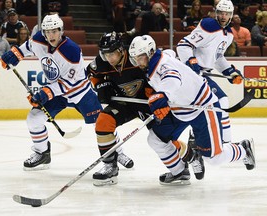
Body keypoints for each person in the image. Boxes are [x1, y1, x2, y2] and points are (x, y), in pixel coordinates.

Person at [128, 34, 256, 184]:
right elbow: (170, 53)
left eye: (140, 57)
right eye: (135, 58)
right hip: (180, 109)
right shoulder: (155, 60)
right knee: (156, 139)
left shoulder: (162, 66)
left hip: (202, 108)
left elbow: (172, 78)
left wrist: (162, 95)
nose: (138, 61)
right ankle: (180, 172)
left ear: (150, 52)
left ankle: (243, 149)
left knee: (214, 158)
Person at [87, 32, 193, 186]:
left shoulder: (136, 58)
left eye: (112, 54)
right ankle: (110, 166)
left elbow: (161, 68)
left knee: (162, 139)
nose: (109, 58)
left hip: (147, 103)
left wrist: (156, 92)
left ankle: (190, 155)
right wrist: (101, 85)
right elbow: (91, 73)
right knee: (103, 122)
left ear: (121, 50)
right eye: (105, 54)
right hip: (124, 102)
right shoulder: (102, 62)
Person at [0, 14, 102, 171]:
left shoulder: (71, 50)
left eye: (54, 31)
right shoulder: (39, 38)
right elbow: (29, 46)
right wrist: (15, 54)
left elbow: (70, 83)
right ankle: (42, 153)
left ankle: (116, 153)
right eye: (47, 32)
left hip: (80, 92)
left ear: (61, 31)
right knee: (34, 118)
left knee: (102, 123)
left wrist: (44, 93)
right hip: (57, 93)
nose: (50, 35)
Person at [176, 0, 242, 144]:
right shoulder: (209, 25)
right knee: (221, 101)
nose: (223, 16)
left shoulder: (229, 34)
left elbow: (217, 57)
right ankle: (226, 143)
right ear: (216, 13)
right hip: (190, 75)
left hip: (202, 74)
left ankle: (199, 140)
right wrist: (192, 63)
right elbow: (183, 45)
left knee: (206, 107)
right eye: (221, 13)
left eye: (227, 14)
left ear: (231, 15)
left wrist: (231, 72)